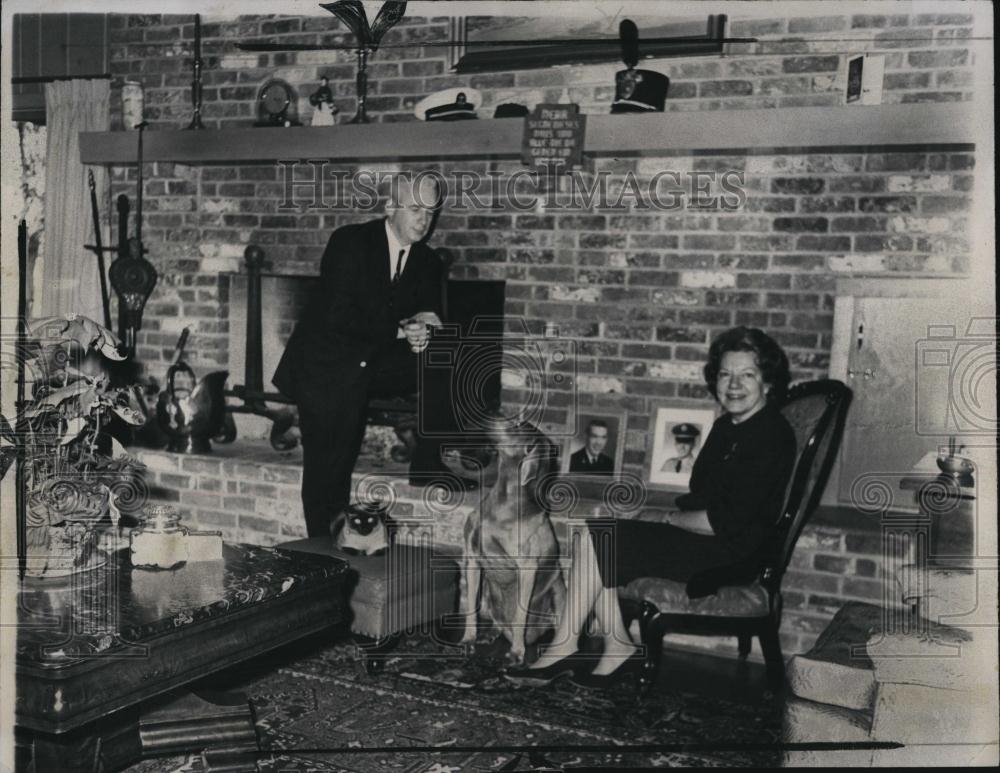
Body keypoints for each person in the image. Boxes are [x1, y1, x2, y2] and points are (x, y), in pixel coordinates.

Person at [507, 326, 796, 688]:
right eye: (725, 374)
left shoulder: (770, 435)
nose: (734, 384)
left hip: (732, 554)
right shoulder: (727, 427)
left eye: (747, 374)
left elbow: (722, 522)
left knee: (603, 538)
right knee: (595, 533)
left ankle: (569, 645)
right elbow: (702, 494)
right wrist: (657, 518)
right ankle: (614, 644)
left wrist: (661, 517)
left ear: (767, 382)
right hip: (708, 539)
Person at [272, 173, 462, 538]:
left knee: (445, 350)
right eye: (415, 208)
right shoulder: (351, 242)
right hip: (326, 364)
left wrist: (426, 330)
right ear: (390, 207)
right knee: (330, 467)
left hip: (373, 360)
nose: (425, 219)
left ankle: (428, 462)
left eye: (431, 211)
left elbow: (428, 313)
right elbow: (338, 316)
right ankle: (323, 547)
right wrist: (401, 329)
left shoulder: (426, 261)